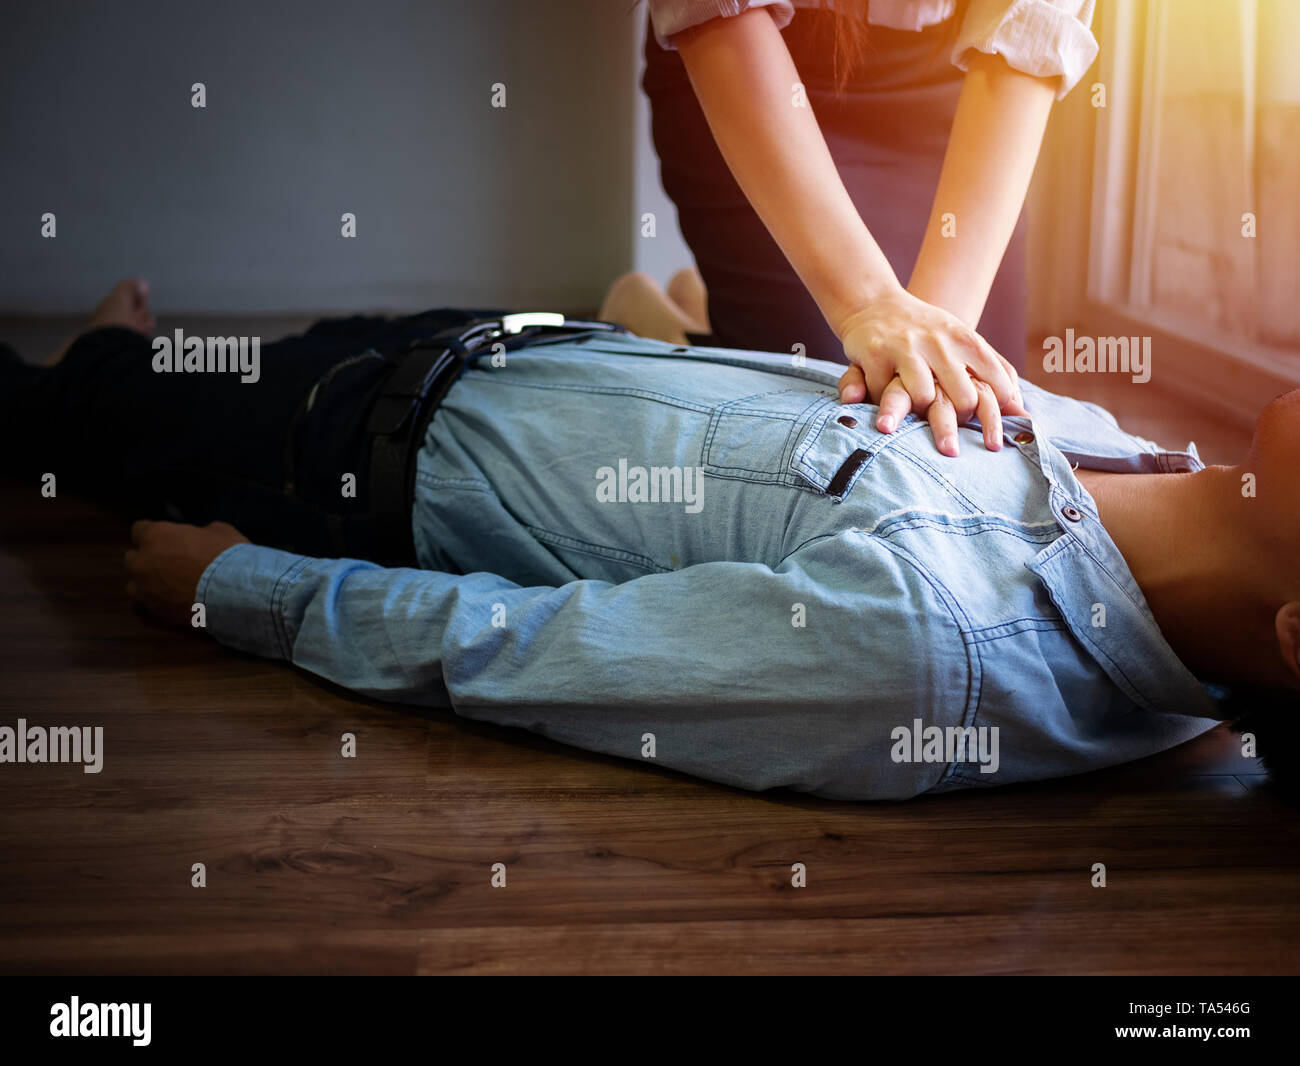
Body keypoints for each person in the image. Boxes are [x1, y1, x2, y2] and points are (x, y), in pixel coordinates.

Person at [2, 279, 1296, 801]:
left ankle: (92, 364)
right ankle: (116, 354)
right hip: (514, 340)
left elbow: (545, 653)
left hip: (333, 451)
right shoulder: (1132, 444)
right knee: (164, 367)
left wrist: (246, 591)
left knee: (54, 411)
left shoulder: (940, 647)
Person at [639, 0, 1099, 454]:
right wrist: (867, 306)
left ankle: (694, 302)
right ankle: (650, 316)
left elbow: (1026, 29)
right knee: (827, 403)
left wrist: (928, 361)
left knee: (966, 413)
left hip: (956, 85)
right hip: (747, 58)